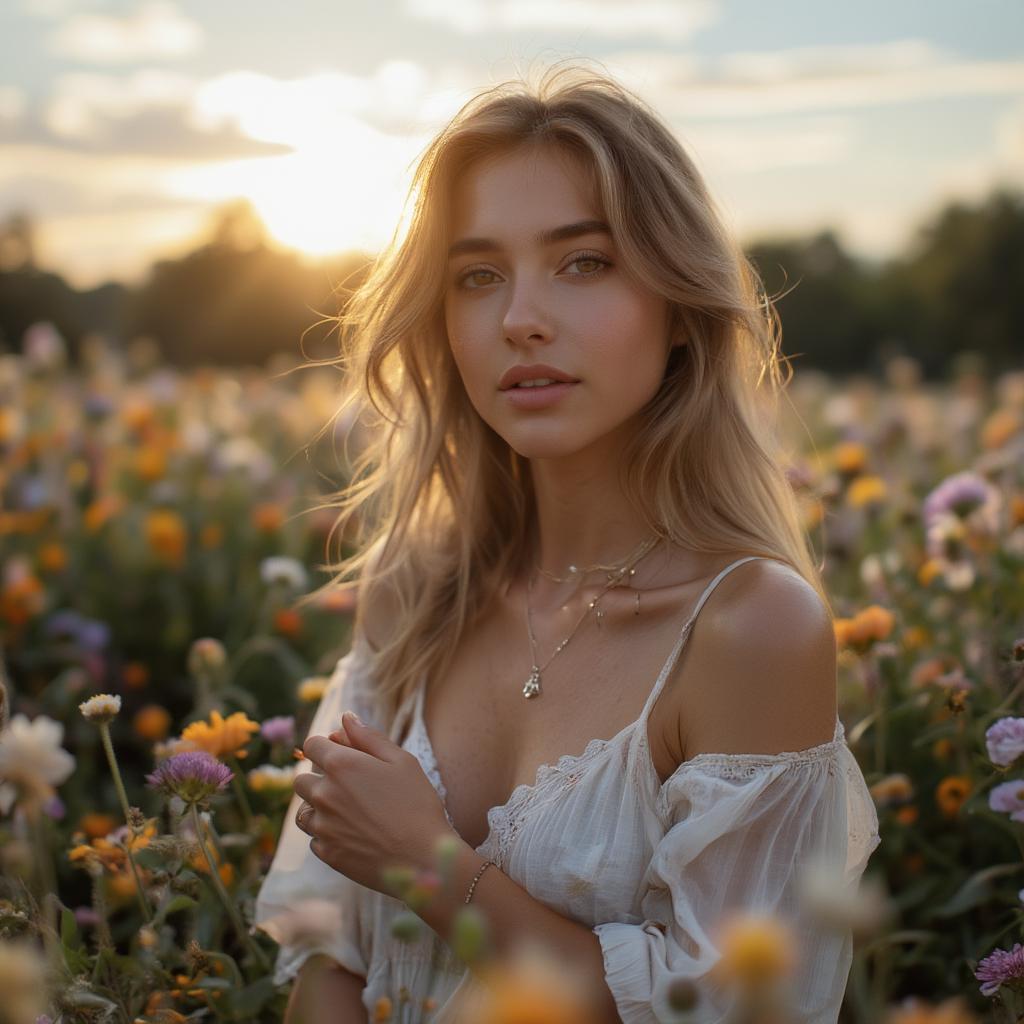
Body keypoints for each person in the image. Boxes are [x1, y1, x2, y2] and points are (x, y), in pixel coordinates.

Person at [254, 60, 881, 1023]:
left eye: (584, 262)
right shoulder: (416, 594)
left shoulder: (751, 634)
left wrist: (435, 870)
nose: (522, 320)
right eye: (477, 276)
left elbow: (727, 1010)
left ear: (679, 308)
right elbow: (329, 956)